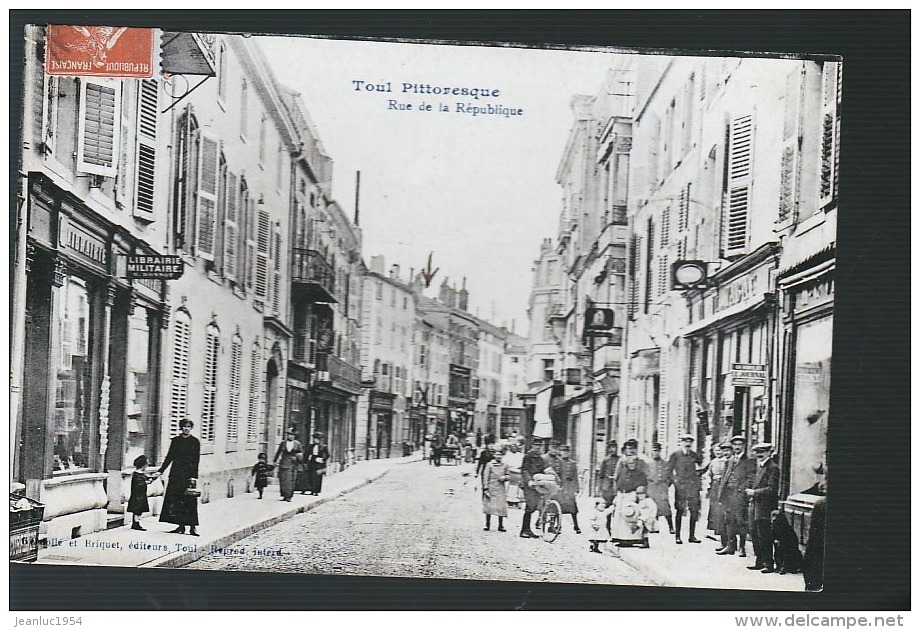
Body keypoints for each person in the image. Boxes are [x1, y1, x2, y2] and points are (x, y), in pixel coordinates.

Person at [158, 418, 201, 536]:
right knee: (177, 501)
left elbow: (196, 460)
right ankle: (180, 526)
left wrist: (193, 476)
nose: (186, 428)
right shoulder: (176, 441)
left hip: (188, 475)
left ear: (191, 428)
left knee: (190, 501)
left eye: (188, 426)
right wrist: (160, 471)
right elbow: (169, 457)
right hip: (176, 475)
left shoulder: (194, 442)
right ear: (181, 427)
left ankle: (192, 528)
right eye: (184, 426)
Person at [717, 435, 756, 556]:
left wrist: (741, 489)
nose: (737, 447)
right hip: (728, 494)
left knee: (741, 521)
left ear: (744, 446)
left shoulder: (749, 461)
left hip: (739, 495)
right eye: (735, 445)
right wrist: (721, 493)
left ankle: (742, 547)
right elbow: (724, 477)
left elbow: (751, 478)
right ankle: (730, 545)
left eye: (740, 445)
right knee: (729, 520)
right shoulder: (730, 460)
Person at [746, 442, 781, 573]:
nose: (760, 454)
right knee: (755, 533)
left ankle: (768, 563)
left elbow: (772, 489)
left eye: (763, 451)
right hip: (755, 505)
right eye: (758, 452)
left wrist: (754, 492)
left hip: (765, 507)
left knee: (764, 535)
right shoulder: (759, 466)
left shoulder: (773, 468)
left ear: (769, 453)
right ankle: (759, 561)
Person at [666, 433, 704, 544]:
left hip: (692, 487)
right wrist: (675, 481)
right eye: (685, 441)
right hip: (681, 487)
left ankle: (692, 536)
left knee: (694, 511)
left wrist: (698, 477)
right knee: (680, 510)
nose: (688, 444)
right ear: (681, 442)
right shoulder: (675, 455)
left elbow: (701, 466)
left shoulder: (694, 455)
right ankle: (677, 536)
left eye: (690, 442)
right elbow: (668, 471)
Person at [519, 442, 547, 538]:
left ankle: (528, 529)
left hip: (538, 484)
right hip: (529, 485)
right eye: (536, 445)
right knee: (530, 506)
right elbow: (524, 470)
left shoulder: (540, 458)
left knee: (534, 506)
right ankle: (524, 530)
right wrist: (529, 481)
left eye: (540, 446)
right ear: (532, 446)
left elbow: (543, 470)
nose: (538, 447)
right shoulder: (528, 456)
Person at [705, 442, 731, 543]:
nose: (718, 452)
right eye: (716, 451)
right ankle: (716, 529)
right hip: (715, 486)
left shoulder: (727, 461)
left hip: (723, 485)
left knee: (722, 509)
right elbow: (709, 473)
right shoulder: (713, 462)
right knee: (714, 509)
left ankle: (721, 532)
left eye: (719, 450)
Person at [647, 443, 674, 535]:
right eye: (654, 450)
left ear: (660, 451)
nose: (655, 453)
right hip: (651, 489)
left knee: (665, 507)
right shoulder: (648, 463)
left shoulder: (665, 463)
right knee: (652, 508)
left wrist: (666, 485)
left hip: (662, 488)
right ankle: (654, 527)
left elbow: (670, 477)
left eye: (657, 451)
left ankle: (671, 527)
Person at [481, 449, 509, 531]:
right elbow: (485, 476)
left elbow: (508, 475)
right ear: (494, 455)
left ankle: (500, 525)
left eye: (500, 455)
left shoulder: (505, 465)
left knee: (501, 506)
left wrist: (504, 477)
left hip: (500, 488)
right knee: (489, 506)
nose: (499, 456)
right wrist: (485, 487)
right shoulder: (489, 465)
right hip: (491, 487)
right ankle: (487, 524)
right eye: (497, 454)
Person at [555, 444, 582, 534]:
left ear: (569, 453)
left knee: (573, 508)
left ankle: (576, 526)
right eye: (563, 451)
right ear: (560, 452)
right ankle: (557, 525)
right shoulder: (558, 462)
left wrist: (576, 489)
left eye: (566, 452)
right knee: (558, 507)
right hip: (560, 487)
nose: (565, 453)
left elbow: (575, 477)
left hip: (570, 487)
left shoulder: (573, 463)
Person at [127, 454, 157, 531]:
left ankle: (136, 523)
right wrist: (146, 482)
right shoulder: (137, 474)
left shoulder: (139, 474)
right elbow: (139, 484)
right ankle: (135, 524)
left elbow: (144, 479)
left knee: (138, 510)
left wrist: (151, 478)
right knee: (137, 510)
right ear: (143, 465)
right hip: (138, 496)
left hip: (140, 495)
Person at [273, 427, 303, 502]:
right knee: (283, 479)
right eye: (290, 435)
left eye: (293, 435)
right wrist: (275, 461)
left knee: (291, 480)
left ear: (295, 436)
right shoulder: (283, 443)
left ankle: (289, 496)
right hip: (284, 462)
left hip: (293, 464)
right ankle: (284, 495)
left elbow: (300, 454)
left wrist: (300, 462)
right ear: (287, 435)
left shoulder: (297, 444)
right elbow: (278, 452)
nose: (291, 436)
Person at [305, 431, 331, 496]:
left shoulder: (324, 447)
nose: (315, 440)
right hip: (312, 462)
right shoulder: (311, 446)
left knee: (318, 477)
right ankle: (311, 490)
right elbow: (307, 454)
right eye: (314, 439)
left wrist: (323, 459)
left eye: (317, 439)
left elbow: (328, 455)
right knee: (311, 476)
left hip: (319, 463)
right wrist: (307, 460)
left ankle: (316, 491)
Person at [503, 442, 524, 507]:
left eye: (515, 446)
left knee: (518, 487)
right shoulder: (507, 455)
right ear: (510, 448)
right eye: (512, 446)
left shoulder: (520, 455)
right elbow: (505, 464)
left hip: (518, 472)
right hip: (510, 472)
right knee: (509, 486)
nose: (514, 448)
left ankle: (517, 501)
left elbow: (523, 463)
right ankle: (509, 500)